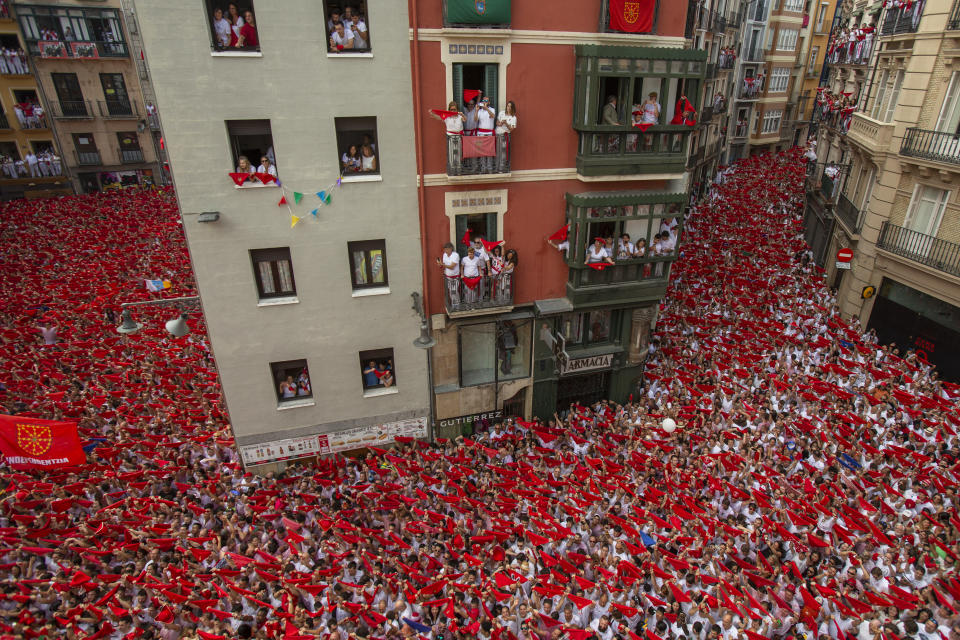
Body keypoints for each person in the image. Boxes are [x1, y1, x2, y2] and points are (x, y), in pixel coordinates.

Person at [438, 242, 460, 306]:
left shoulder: (455, 255)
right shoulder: (444, 255)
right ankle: (456, 305)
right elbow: (445, 265)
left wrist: (443, 265)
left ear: (451, 249)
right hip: (448, 277)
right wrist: (440, 265)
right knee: (451, 292)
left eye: (446, 249)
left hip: (455, 277)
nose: (445, 251)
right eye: (444, 249)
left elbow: (452, 267)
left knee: (454, 292)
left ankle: (456, 306)